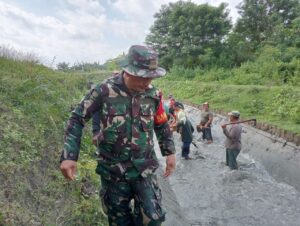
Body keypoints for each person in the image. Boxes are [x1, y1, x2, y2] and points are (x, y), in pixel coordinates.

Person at [60, 45, 176, 226]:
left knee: (153, 219)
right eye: (143, 77)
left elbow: (161, 124)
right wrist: (69, 156)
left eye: (151, 77)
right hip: (113, 172)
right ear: (127, 72)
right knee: (119, 222)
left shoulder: (153, 95)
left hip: (144, 169)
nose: (147, 82)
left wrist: (170, 153)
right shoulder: (104, 91)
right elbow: (77, 118)